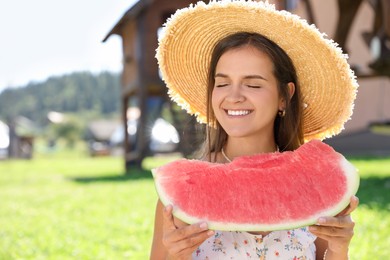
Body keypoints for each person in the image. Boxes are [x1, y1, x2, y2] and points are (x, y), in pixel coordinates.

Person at [151, 1, 359, 259]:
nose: (234, 96)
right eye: (223, 83)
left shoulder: (313, 182)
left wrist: (339, 249)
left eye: (253, 85)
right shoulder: (181, 192)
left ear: (285, 96)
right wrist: (175, 255)